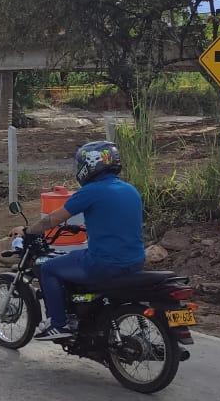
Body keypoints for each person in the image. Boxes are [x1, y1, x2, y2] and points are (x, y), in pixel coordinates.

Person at [13, 141, 145, 340]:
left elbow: (53, 219)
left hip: (103, 263)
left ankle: (59, 324)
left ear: (89, 165)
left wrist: (27, 231)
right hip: (135, 261)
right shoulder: (130, 189)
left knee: (48, 268)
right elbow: (114, 220)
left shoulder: (91, 191)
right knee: (76, 257)